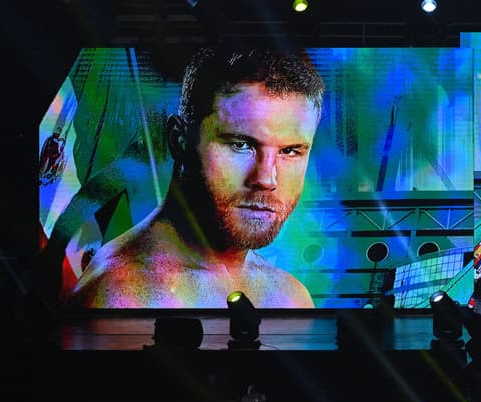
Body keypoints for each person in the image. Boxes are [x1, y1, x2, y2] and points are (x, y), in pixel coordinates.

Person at [67, 47, 325, 308]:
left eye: (289, 151)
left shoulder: (291, 296)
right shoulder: (119, 298)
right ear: (179, 140)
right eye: (240, 145)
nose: (267, 179)